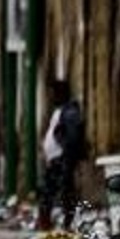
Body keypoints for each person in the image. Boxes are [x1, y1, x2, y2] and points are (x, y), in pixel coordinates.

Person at [41, 79, 87, 230]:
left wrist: (66, 154)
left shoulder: (70, 112)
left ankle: (65, 223)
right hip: (55, 158)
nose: (51, 96)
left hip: (61, 158)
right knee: (53, 191)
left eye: (54, 93)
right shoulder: (61, 110)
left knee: (61, 192)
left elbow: (71, 137)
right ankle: (51, 222)